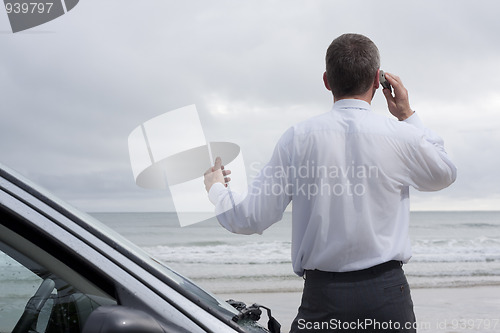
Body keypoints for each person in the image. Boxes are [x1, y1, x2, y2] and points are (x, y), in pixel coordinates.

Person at [204, 33, 457, 332]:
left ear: (327, 80)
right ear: (379, 80)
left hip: (323, 298)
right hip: (388, 294)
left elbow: (250, 218)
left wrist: (216, 188)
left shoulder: (297, 138)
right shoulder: (400, 135)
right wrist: (406, 114)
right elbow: (444, 173)